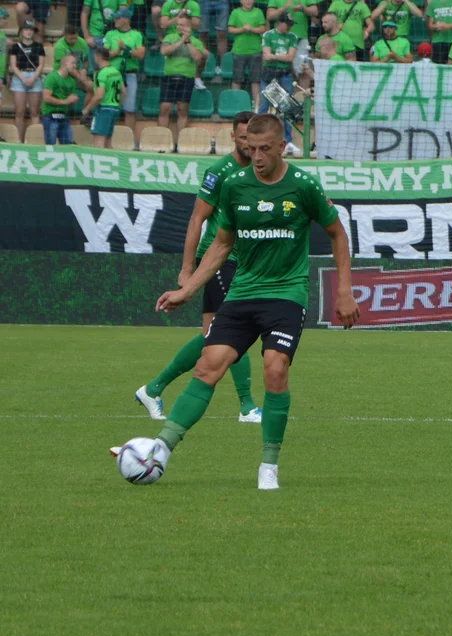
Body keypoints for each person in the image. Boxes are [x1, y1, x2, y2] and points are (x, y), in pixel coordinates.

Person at [150, 113, 360, 492]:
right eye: (251, 148)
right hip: (243, 291)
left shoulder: (304, 186)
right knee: (208, 367)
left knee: (274, 369)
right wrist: (187, 289)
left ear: (282, 147)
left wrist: (344, 291)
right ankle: (162, 447)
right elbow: (222, 244)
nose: (257, 155)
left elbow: (337, 233)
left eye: (265, 149)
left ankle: (269, 464)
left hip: (286, 293)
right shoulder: (234, 186)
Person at [132, 112, 262, 426]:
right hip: (218, 260)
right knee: (237, 329)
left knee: (211, 336)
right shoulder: (220, 172)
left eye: (253, 138)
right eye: (243, 137)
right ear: (233, 137)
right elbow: (196, 220)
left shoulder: (261, 171)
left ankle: (153, 388)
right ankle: (247, 406)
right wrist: (187, 268)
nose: (248, 143)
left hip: (242, 261)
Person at [260, 13, 301, 154]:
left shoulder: (293, 37)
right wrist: (275, 57)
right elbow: (266, 55)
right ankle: (258, 138)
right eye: (287, 24)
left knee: (287, 108)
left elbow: (290, 58)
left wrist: (274, 56)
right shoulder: (268, 35)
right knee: (264, 106)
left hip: (285, 75)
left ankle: (288, 141)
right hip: (269, 74)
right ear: (280, 22)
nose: (289, 27)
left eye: (290, 25)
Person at [160, 15, 205, 142]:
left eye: (182, 24)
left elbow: (197, 58)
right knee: (165, 108)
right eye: (178, 24)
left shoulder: (196, 42)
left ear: (189, 27)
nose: (179, 26)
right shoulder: (170, 37)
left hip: (187, 78)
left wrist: (188, 42)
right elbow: (164, 51)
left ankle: (180, 141)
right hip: (169, 77)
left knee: (182, 109)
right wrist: (181, 41)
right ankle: (163, 141)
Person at [104, 7, 145, 132]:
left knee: (129, 109)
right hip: (113, 74)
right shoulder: (110, 34)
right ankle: (107, 135)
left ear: (126, 19)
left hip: (129, 75)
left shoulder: (136, 35)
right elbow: (105, 54)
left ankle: (128, 138)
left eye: (118, 17)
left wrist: (126, 49)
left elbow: (141, 54)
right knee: (110, 108)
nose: (115, 20)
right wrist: (117, 51)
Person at [82, 46, 125, 148]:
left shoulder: (101, 73)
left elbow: (99, 95)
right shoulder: (116, 71)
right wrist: (118, 105)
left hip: (103, 108)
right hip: (113, 108)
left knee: (99, 139)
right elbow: (124, 91)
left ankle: (98, 162)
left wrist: (87, 108)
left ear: (97, 57)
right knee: (108, 140)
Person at [8, 21, 45, 143]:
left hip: (34, 75)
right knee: (20, 111)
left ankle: (35, 139)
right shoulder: (15, 47)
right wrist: (23, 78)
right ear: (21, 31)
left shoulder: (39, 46)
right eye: (26, 29)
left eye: (31, 30)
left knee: (35, 111)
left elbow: (41, 65)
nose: (28, 32)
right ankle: (19, 139)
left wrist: (33, 78)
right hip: (20, 76)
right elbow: (13, 65)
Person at [229, 0, 268, 106]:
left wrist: (251, 29)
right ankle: (235, 104)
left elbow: (263, 29)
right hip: (239, 51)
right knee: (237, 80)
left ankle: (256, 105)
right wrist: (242, 29)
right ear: (241, 1)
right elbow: (230, 29)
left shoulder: (258, 12)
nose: (248, 1)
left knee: (255, 80)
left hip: (255, 51)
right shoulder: (235, 12)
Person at [268, 0, 319, 79]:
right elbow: (270, 16)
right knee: (281, 69)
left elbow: (315, 12)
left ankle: (302, 92)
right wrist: (284, 8)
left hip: (301, 38)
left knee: (303, 69)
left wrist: (303, 8)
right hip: (280, 39)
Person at [41, 54, 80, 145]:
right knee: (51, 146)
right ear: (65, 64)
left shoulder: (72, 81)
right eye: (73, 63)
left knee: (68, 146)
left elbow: (70, 102)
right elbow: (46, 97)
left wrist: (72, 101)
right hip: (51, 116)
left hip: (64, 116)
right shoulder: (51, 77)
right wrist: (65, 101)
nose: (75, 65)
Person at [54, 25, 93, 92]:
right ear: (65, 36)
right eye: (71, 39)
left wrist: (84, 70)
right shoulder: (59, 46)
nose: (74, 41)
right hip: (62, 74)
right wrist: (81, 78)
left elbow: (85, 60)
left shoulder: (82, 42)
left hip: (76, 72)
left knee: (91, 88)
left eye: (75, 38)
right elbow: (66, 66)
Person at [426, 0, 452, 64]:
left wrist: (447, 26)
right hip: (438, 41)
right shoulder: (433, 3)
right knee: (438, 68)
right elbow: (429, 25)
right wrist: (437, 26)